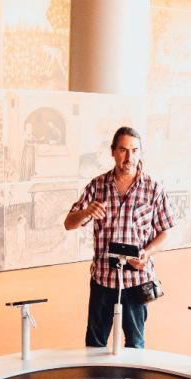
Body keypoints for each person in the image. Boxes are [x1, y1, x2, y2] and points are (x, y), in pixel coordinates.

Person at [63, 126, 175, 349]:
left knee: (135, 344)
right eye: (123, 150)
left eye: (134, 150)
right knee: (95, 345)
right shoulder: (97, 186)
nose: (129, 157)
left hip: (136, 281)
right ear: (112, 151)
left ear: (140, 153)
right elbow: (69, 223)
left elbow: (166, 231)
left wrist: (148, 252)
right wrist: (86, 212)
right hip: (103, 281)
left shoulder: (154, 189)